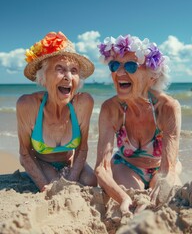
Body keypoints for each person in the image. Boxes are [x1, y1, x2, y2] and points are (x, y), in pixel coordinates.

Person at [95, 34, 182, 214]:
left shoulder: (167, 108)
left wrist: (162, 186)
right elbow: (102, 169)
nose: (119, 73)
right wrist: (122, 197)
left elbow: (168, 170)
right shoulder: (110, 109)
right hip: (127, 165)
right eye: (114, 65)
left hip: (162, 166)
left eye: (130, 66)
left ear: (152, 77)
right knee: (133, 205)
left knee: (165, 198)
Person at [16, 31, 97, 192]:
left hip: (69, 161)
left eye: (74, 71)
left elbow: (82, 148)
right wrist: (43, 187)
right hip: (42, 163)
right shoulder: (28, 105)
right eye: (60, 69)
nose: (68, 77)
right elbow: (25, 154)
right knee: (54, 185)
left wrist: (72, 179)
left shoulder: (84, 103)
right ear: (43, 77)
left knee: (90, 180)